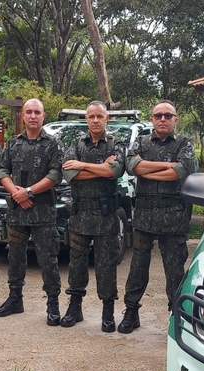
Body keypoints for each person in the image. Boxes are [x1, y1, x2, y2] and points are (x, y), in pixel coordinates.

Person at [118, 100, 196, 333]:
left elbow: (182, 170)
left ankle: (176, 315)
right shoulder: (141, 142)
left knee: (174, 271)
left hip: (173, 217)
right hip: (144, 215)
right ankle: (131, 311)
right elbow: (132, 166)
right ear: (151, 119)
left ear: (175, 119)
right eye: (158, 115)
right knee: (137, 268)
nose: (163, 119)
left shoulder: (185, 143)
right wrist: (167, 167)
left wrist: (147, 169)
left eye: (167, 115)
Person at [0, 98, 64, 325]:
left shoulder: (53, 144)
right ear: (22, 116)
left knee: (48, 259)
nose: (33, 116)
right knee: (14, 256)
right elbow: (2, 170)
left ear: (43, 116)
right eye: (29, 112)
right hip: (17, 212)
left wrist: (29, 192)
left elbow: (56, 174)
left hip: (42, 212)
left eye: (37, 112)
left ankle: (52, 303)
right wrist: (16, 192)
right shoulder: (13, 143)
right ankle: (15, 298)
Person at [60, 101, 126, 332]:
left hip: (106, 216)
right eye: (91, 116)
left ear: (107, 118)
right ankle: (75, 307)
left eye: (99, 116)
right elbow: (69, 173)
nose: (95, 120)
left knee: (106, 265)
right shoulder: (75, 143)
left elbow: (115, 170)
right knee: (77, 263)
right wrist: (100, 169)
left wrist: (82, 165)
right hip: (80, 215)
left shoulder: (117, 143)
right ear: (86, 119)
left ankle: (107, 312)